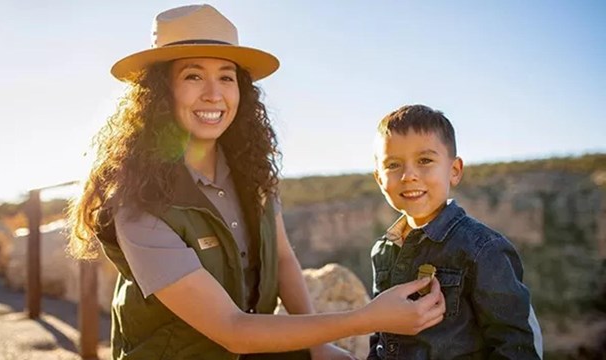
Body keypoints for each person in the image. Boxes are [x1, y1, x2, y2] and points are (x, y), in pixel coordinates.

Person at [68, 5, 446, 360]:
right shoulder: (138, 202)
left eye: (226, 77)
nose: (214, 94)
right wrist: (370, 318)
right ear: (160, 92)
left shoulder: (252, 170)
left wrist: (319, 349)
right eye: (193, 75)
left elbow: (282, 259)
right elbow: (230, 328)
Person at [368, 104, 544, 359]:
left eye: (425, 160)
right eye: (393, 165)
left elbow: (515, 341)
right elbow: (380, 334)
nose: (409, 175)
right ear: (379, 178)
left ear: (454, 171)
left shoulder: (482, 248)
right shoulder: (382, 250)